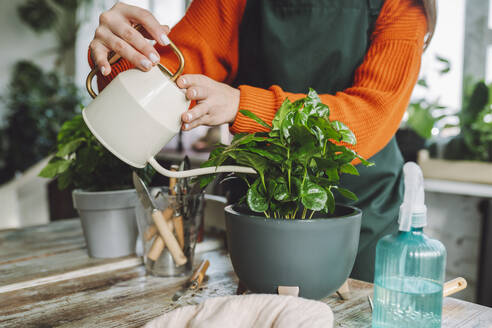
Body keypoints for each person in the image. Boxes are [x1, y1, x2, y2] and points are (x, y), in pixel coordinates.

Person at [89, 0, 436, 282]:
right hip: (260, 206)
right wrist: (120, 59)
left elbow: (371, 118)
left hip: (360, 214)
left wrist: (244, 105)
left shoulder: (402, 5)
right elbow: (173, 78)